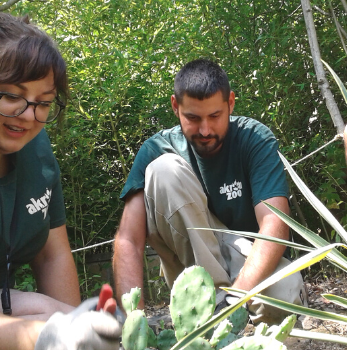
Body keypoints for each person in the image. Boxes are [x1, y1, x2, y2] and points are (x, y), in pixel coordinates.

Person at [0, 12, 121, 350]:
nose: (29, 116)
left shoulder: (30, 143)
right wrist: (49, 338)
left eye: (43, 103)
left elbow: (52, 255)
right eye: (12, 96)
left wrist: (78, 330)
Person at [113, 58, 307, 324]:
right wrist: (132, 322)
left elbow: (274, 226)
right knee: (163, 170)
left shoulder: (255, 139)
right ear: (175, 106)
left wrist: (235, 298)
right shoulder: (155, 149)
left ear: (230, 103)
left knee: (283, 298)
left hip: (249, 258)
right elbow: (128, 240)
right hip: (191, 271)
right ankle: (209, 310)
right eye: (193, 118)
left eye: (215, 116)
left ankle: (223, 310)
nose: (205, 130)